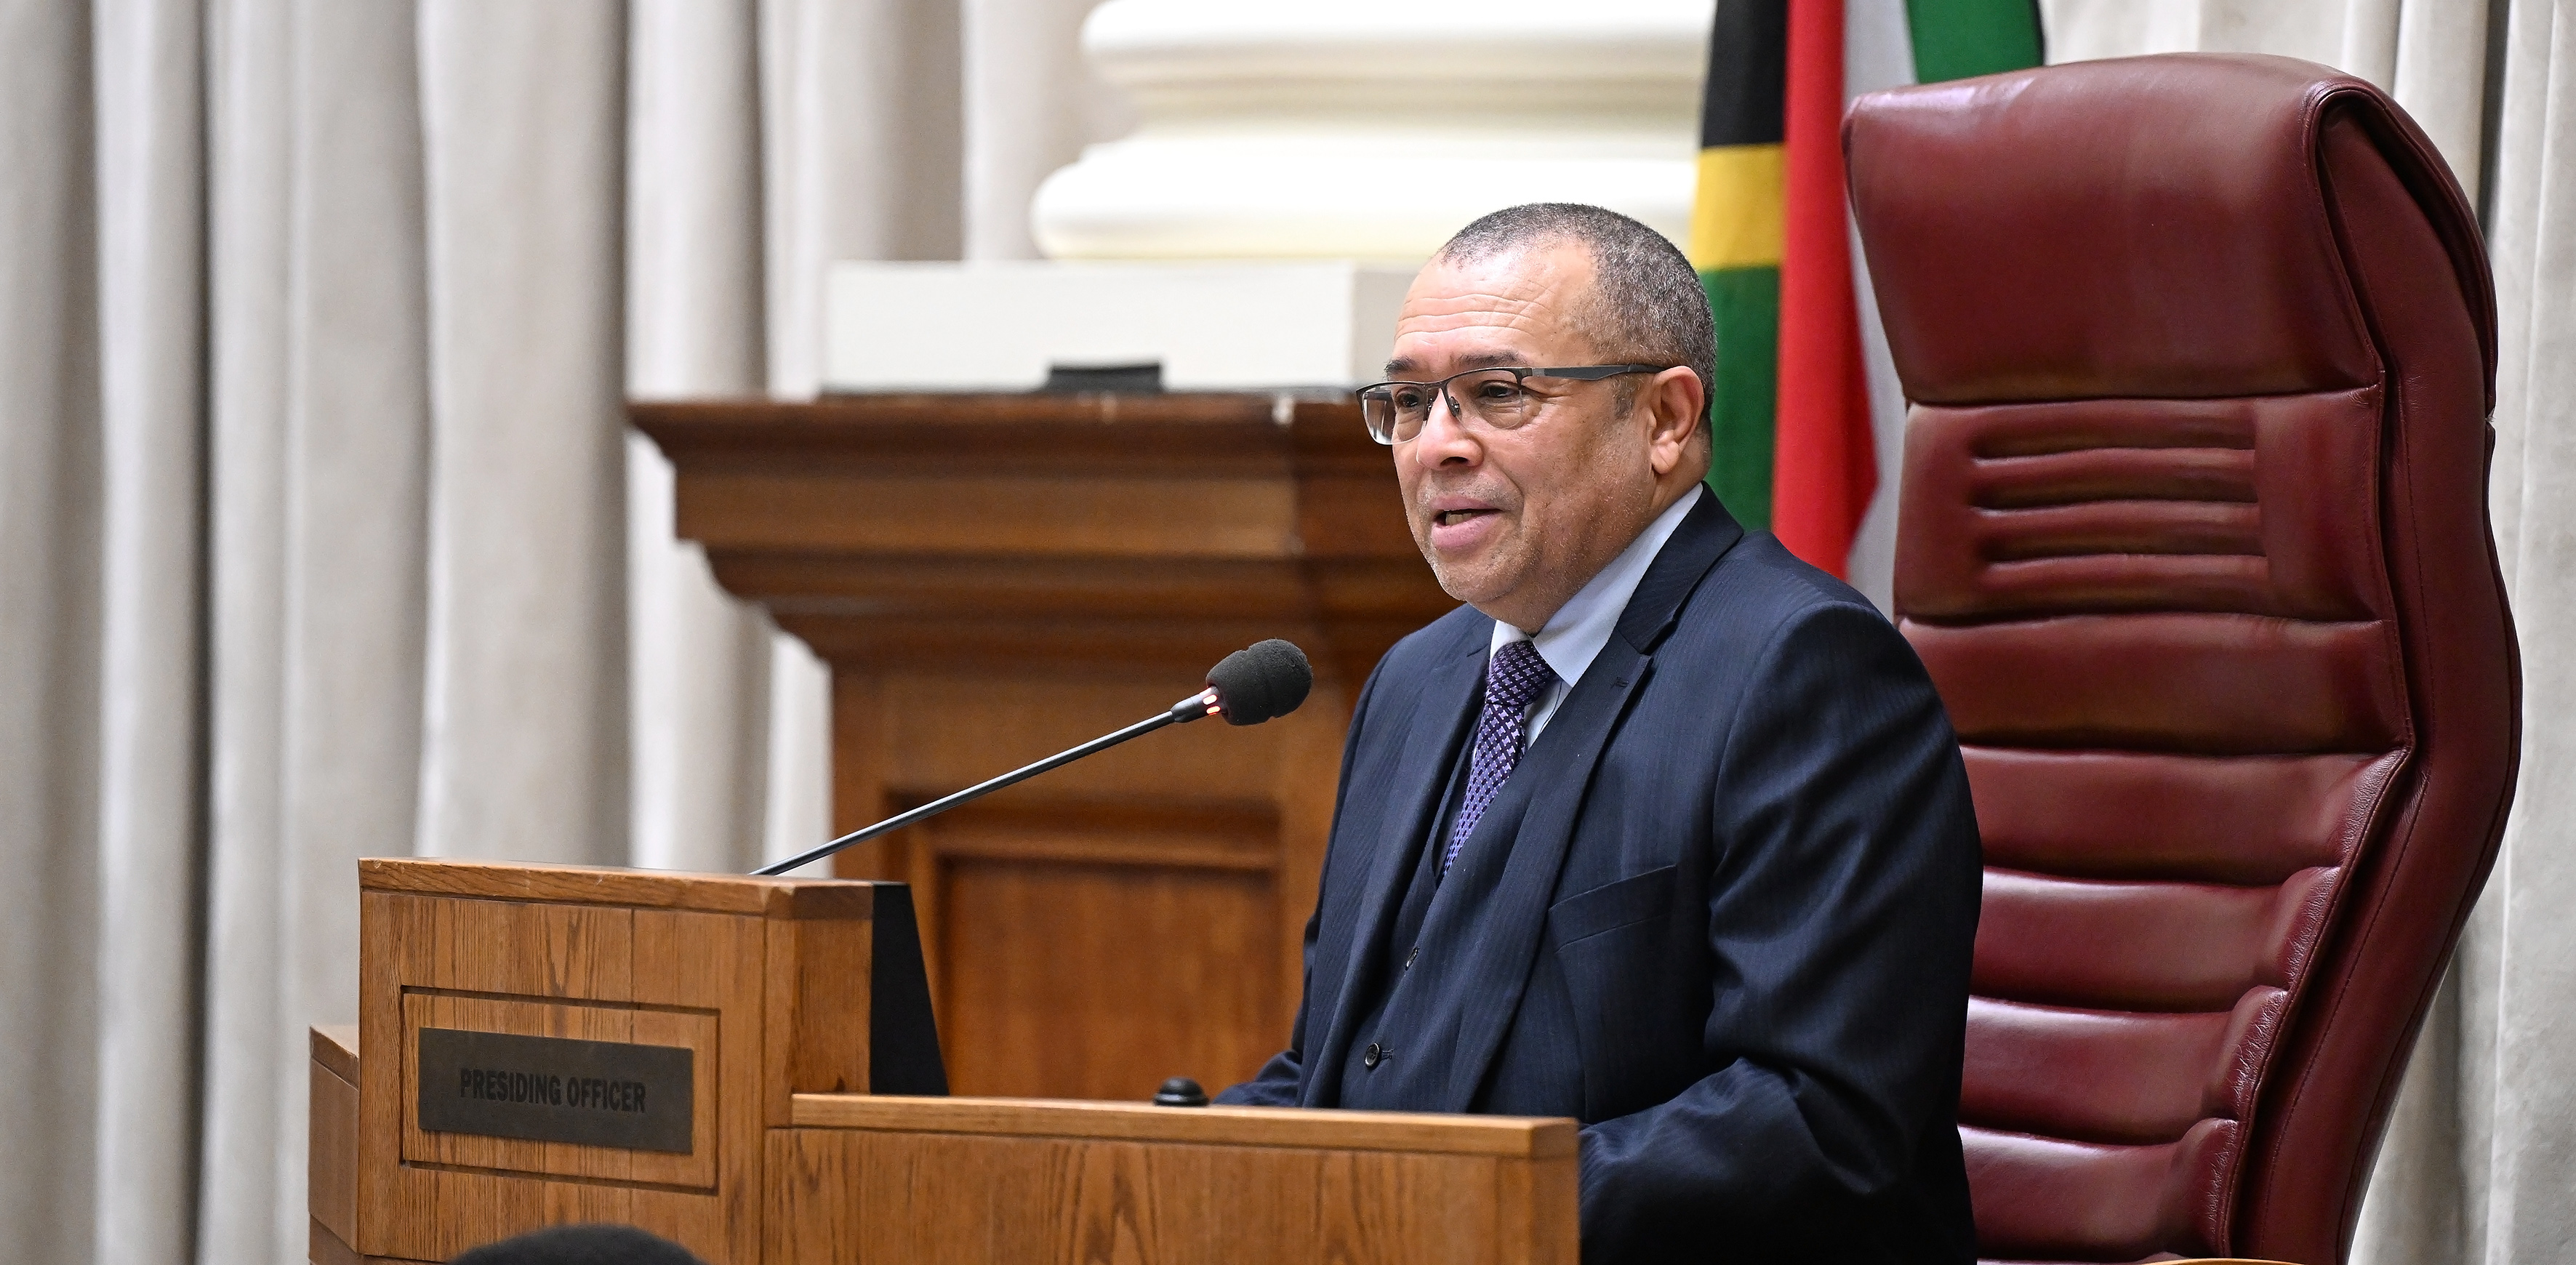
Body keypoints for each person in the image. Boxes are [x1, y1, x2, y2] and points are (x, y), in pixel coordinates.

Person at [1213, 203, 1983, 1265]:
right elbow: (1336, 1074)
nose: (1437, 445)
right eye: (1409, 402)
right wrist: (1179, 1174)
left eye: (1497, 393)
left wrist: (1443, 1214)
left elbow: (1818, 1121)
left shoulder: (1807, 673)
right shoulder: (1415, 681)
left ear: (1665, 418)